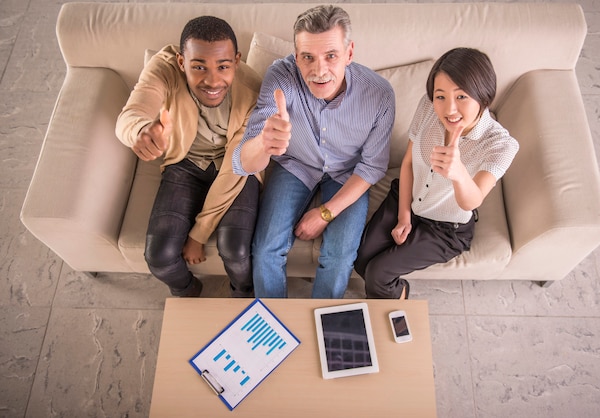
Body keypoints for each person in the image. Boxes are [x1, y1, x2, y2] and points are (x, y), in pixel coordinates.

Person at [232, 5, 395, 298]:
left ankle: (321, 323)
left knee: (339, 256)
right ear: (296, 57)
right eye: (308, 57)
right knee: (266, 248)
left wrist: (324, 213)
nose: (319, 71)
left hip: (349, 172)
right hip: (296, 163)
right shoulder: (280, 78)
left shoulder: (380, 94)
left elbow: (371, 168)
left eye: (331, 56)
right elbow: (240, 162)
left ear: (349, 53)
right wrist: (264, 143)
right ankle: (272, 329)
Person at [354, 47, 519, 299]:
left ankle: (398, 295)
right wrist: (403, 216)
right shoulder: (429, 106)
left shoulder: (501, 144)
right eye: (441, 96)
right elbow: (408, 162)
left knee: (378, 274)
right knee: (361, 260)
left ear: (484, 97)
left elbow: (472, 201)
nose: (449, 109)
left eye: (461, 96)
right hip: (407, 198)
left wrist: (459, 173)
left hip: (445, 228)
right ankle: (390, 290)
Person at [116, 16, 262, 297]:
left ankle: (243, 293)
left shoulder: (254, 91)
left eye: (223, 66)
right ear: (182, 62)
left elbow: (236, 166)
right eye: (198, 67)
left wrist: (198, 234)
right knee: (159, 257)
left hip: (234, 167)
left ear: (237, 61)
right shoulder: (165, 68)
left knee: (236, 250)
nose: (212, 80)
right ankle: (188, 292)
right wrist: (141, 131)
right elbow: (133, 112)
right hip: (185, 165)